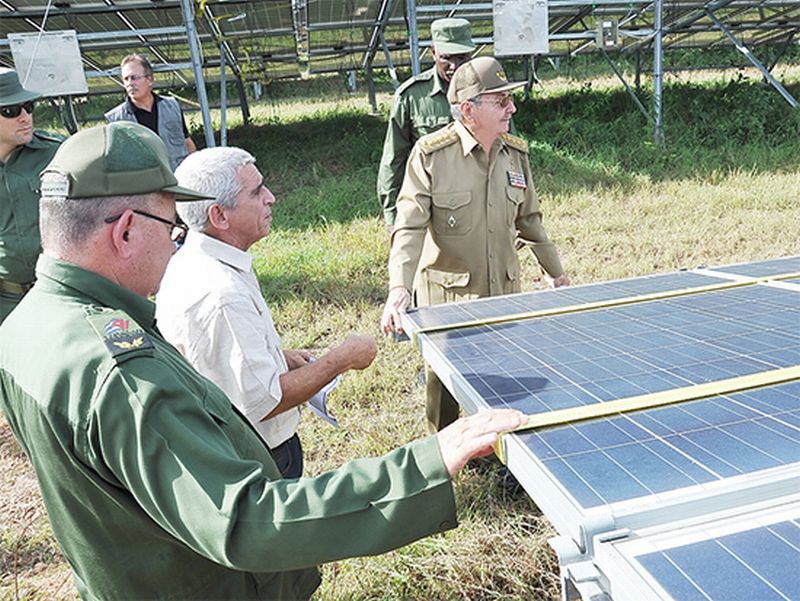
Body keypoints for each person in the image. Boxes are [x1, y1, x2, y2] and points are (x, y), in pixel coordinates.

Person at [0, 121, 526, 600]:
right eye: (170, 229)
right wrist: (424, 464)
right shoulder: (120, 372)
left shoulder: (25, 328)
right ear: (126, 232)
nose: (177, 243)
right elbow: (246, 521)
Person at [156, 147, 377, 478]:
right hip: (260, 458)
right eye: (257, 192)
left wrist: (277, 356)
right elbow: (266, 401)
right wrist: (342, 358)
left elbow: (220, 359)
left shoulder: (201, 261)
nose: (271, 198)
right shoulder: (222, 294)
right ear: (219, 216)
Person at [381, 56, 570, 433]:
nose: (511, 108)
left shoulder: (515, 155)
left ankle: (499, 452)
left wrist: (558, 275)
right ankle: (443, 454)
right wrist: (399, 287)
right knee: (445, 387)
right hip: (450, 300)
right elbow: (409, 225)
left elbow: (530, 222)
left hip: (502, 290)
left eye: (509, 100)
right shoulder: (431, 156)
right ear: (468, 110)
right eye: (501, 101)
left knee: (501, 378)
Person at [376, 17, 475, 231]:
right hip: (431, 204)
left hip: (479, 200)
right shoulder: (411, 97)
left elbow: (508, 150)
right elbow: (394, 157)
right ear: (433, 53)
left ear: (472, 54)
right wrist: (392, 215)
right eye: (447, 58)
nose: (455, 67)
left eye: (462, 57)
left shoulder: (488, 93)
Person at [0, 67, 61, 323]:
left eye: (28, 106)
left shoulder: (58, 154)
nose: (25, 117)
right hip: (7, 302)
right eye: (11, 111)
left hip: (58, 296)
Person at [105, 54, 196, 171]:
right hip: (144, 185)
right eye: (126, 79)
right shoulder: (115, 120)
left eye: (134, 78)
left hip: (177, 180)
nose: (130, 83)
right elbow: (116, 162)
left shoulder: (172, 106)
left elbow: (187, 142)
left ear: (149, 80)